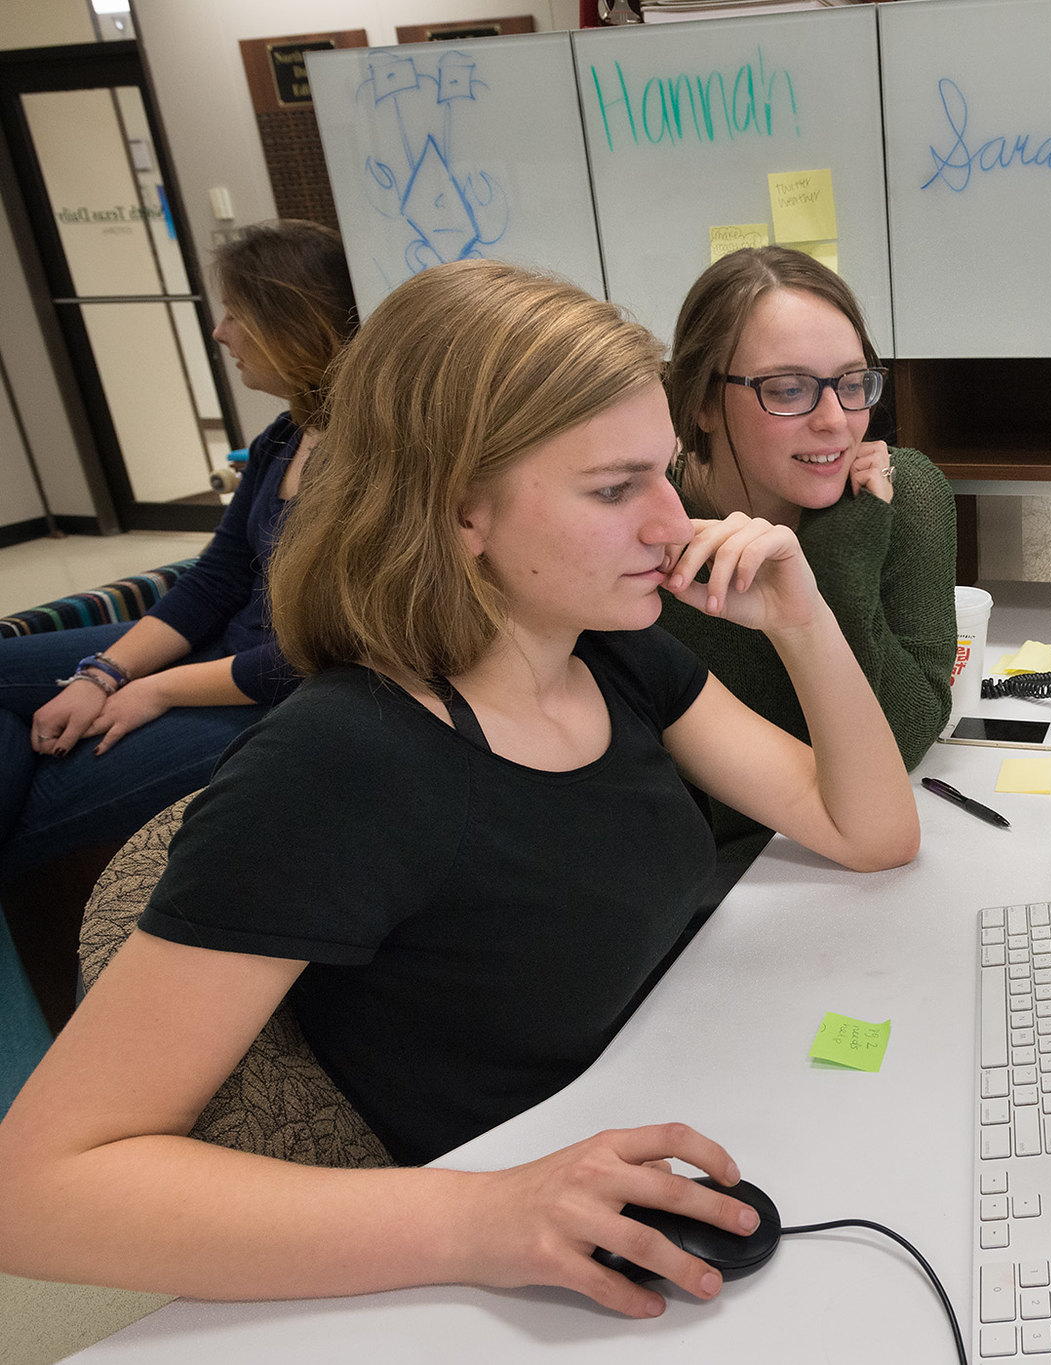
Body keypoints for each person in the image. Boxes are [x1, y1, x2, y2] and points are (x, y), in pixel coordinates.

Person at [0, 261, 918, 1316]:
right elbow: (36, 1192)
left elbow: (869, 830)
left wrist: (803, 620)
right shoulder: (339, 762)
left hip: (671, 1105)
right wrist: (483, 1216)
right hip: (502, 1269)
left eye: (664, 472)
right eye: (614, 489)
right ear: (460, 510)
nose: (672, 523)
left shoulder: (605, 649)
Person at [0, 220, 356, 876]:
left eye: (236, 314)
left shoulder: (373, 458)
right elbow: (215, 579)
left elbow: (322, 654)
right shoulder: (286, 436)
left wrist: (156, 690)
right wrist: (102, 675)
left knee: (41, 796)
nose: (220, 333)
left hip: (281, 697)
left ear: (294, 323)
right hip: (222, 652)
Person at [663, 246, 956, 864]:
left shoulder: (898, 495)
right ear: (703, 403)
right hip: (735, 877)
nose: (836, 421)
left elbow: (906, 738)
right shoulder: (655, 534)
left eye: (853, 383)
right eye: (789, 389)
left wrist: (843, 556)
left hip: (850, 849)